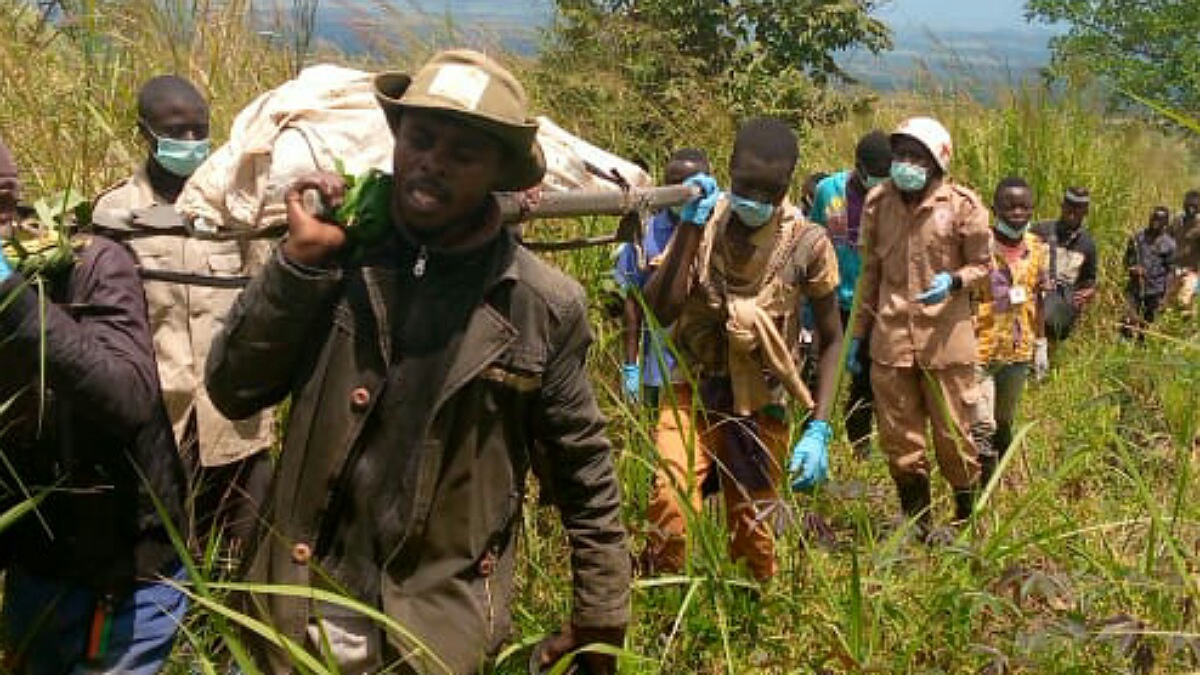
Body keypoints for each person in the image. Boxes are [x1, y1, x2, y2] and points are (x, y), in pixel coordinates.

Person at [205, 50, 630, 674]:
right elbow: (233, 389)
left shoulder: (540, 306)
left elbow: (583, 468)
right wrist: (298, 268)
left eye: (463, 154)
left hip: (428, 637)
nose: (432, 161)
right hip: (289, 614)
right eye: (420, 139)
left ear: (499, 172)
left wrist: (602, 611)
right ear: (396, 139)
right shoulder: (337, 256)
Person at [0, 136, 188, 674]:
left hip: (124, 579)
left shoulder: (93, 263)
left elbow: (126, 396)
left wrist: (10, 296)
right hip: (35, 570)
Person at [641, 117, 844, 581]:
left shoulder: (807, 244)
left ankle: (751, 612)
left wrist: (820, 428)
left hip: (760, 401)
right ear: (729, 170)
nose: (756, 200)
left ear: (788, 185)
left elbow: (832, 337)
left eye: (769, 192)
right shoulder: (703, 220)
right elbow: (660, 309)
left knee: (752, 526)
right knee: (669, 504)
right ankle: (662, 604)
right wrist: (688, 231)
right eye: (745, 186)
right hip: (693, 387)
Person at [91, 75, 273, 558]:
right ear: (145, 133)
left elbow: (266, 303)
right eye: (176, 131)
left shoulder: (237, 205)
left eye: (199, 130)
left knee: (245, 555)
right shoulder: (114, 215)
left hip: (237, 424)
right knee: (165, 553)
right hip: (160, 423)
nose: (191, 143)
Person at [851, 116, 991, 540]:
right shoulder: (878, 203)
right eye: (900, 155)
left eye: (916, 157)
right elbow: (869, 274)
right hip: (890, 342)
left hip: (946, 343)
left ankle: (966, 524)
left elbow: (986, 267)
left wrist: (955, 281)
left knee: (954, 440)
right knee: (900, 442)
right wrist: (857, 337)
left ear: (936, 162)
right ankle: (918, 528)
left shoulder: (963, 206)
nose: (905, 164)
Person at [808, 130, 893, 456]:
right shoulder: (829, 190)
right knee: (817, 370)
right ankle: (812, 436)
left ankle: (859, 444)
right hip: (830, 298)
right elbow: (814, 237)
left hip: (872, 304)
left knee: (866, 378)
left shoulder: (893, 197)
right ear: (859, 167)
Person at [613, 148, 710, 409]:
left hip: (706, 369)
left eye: (687, 185)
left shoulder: (717, 229)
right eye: (672, 184)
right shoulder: (646, 232)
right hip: (658, 369)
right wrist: (631, 366)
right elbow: (633, 302)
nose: (679, 192)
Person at [969, 177, 1050, 486]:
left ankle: (999, 481)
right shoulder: (980, 247)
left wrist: (1041, 342)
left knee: (1004, 421)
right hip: (980, 349)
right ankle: (979, 492)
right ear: (995, 209)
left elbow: (1038, 298)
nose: (1017, 212)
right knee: (982, 425)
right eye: (1009, 206)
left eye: (1024, 207)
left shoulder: (1038, 249)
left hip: (1018, 351)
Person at [1032, 187, 1098, 346]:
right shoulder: (1040, 230)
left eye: (1078, 207)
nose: (1073, 211)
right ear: (1062, 205)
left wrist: (1089, 292)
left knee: (1045, 364)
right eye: (1070, 205)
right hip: (1033, 307)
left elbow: (1088, 280)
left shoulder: (1087, 244)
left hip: (1058, 315)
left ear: (1086, 211)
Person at [1121, 206, 1176, 342]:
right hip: (1134, 288)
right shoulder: (1137, 237)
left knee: (1147, 325)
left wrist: (1165, 296)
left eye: (1159, 219)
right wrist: (1132, 268)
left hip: (1155, 290)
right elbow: (1126, 260)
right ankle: (1123, 347)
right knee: (1127, 320)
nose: (1155, 222)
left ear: (1166, 223)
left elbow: (1170, 271)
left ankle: (1140, 350)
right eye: (1153, 218)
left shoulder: (1169, 244)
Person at [1167, 189, 1199, 312]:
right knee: (1167, 305)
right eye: (1188, 205)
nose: (1191, 209)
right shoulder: (1176, 220)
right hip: (1174, 268)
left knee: (1184, 303)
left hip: (1192, 271)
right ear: (1184, 204)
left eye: (1194, 206)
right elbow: (1166, 239)